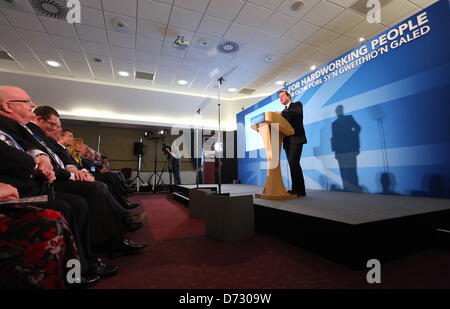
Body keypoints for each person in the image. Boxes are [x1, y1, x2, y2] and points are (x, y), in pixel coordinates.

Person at [278, 90, 307, 197]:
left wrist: (281, 113)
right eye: (279, 97)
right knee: (292, 164)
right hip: (287, 141)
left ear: (289, 96)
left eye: (282, 96)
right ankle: (297, 189)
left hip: (296, 138)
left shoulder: (297, 105)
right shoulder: (284, 111)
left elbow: (296, 113)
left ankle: (299, 190)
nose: (280, 98)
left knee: (294, 163)